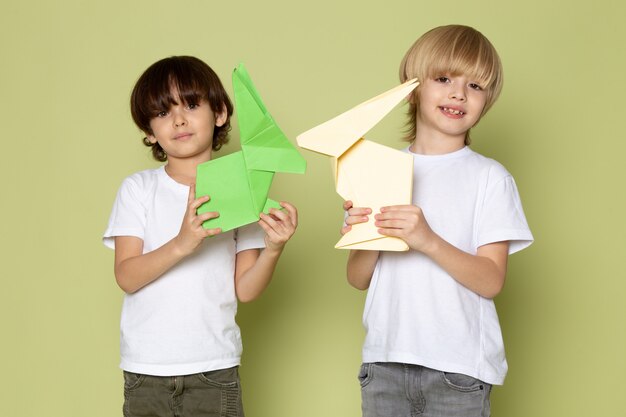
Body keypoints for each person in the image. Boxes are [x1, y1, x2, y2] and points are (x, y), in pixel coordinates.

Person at [342, 25, 533, 417]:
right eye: (443, 78)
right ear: (413, 88)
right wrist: (365, 234)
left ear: (487, 100)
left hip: (458, 369)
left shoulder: (490, 178)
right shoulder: (378, 170)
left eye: (476, 86)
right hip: (385, 362)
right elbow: (358, 278)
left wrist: (426, 239)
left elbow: (491, 280)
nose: (458, 93)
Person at [103, 56, 298, 417]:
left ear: (220, 113)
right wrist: (182, 243)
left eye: (191, 105)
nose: (178, 119)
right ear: (149, 132)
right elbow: (126, 276)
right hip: (146, 370)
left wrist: (273, 248)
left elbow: (246, 289)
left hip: (214, 367)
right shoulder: (138, 189)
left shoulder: (243, 192)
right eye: (162, 112)